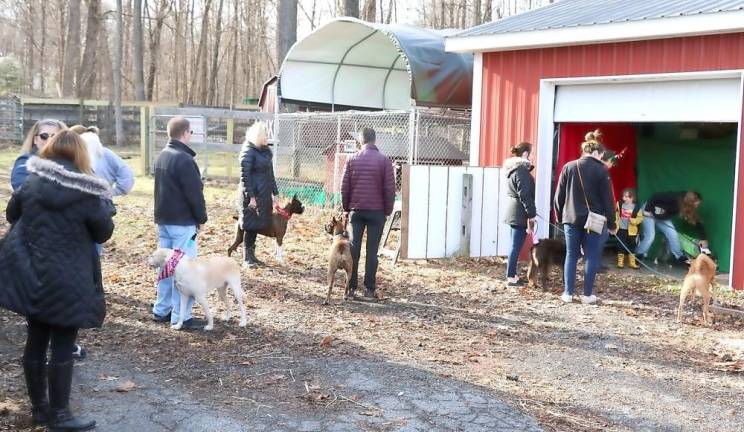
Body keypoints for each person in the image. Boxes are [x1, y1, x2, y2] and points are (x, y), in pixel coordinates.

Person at [0, 129, 115, 430]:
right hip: (69, 278)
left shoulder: (31, 182)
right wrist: (107, 205)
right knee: (63, 345)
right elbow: (103, 232)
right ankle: (61, 415)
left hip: (34, 274)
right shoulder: (89, 193)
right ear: (80, 154)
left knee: (35, 341)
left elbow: (13, 214)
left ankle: (40, 410)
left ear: (50, 150)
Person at [152, 116, 207, 329]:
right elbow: (195, 194)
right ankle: (180, 316)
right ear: (185, 133)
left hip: (164, 220)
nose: (191, 135)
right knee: (184, 269)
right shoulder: (184, 160)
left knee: (166, 267)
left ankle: (162, 309)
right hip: (182, 223)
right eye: (191, 132)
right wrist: (201, 218)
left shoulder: (162, 156)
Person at [554, 132, 617, 304]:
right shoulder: (602, 170)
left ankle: (568, 293)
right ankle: (587, 295)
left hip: (570, 218)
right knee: (591, 256)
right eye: (602, 155)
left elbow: (558, 196)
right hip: (594, 220)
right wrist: (612, 224)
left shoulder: (569, 166)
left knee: (571, 255)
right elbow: (608, 200)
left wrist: (559, 216)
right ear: (597, 153)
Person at [341, 127, 396, 299]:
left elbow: (344, 188)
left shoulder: (352, 160)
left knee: (354, 249)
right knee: (372, 251)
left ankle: (351, 287)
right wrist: (387, 210)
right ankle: (370, 289)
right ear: (375, 140)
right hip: (376, 212)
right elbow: (390, 189)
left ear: (360, 140)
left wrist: (346, 208)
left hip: (356, 211)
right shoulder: (385, 161)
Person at [239, 121, 278, 268]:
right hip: (253, 195)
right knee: (250, 225)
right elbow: (245, 177)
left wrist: (275, 192)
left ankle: (252, 255)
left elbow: (270, 173)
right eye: (266, 134)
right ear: (258, 135)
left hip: (264, 194)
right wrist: (251, 197)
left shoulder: (265, 151)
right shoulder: (248, 151)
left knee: (256, 225)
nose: (268, 137)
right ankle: (247, 257)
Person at [635, 191, 707, 265]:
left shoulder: (687, 207)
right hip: (649, 212)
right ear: (690, 201)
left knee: (673, 234)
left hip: (662, 217)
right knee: (650, 236)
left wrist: (703, 238)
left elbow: (696, 221)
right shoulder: (674, 198)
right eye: (696, 203)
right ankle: (638, 256)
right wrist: (646, 210)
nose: (697, 205)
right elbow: (655, 197)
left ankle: (680, 258)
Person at [502, 141, 536, 287]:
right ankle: (510, 277)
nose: (533, 156)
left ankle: (513, 275)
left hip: (514, 210)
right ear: (525, 154)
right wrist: (531, 214)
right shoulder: (521, 170)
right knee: (515, 246)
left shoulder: (514, 169)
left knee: (514, 245)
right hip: (519, 212)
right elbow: (525, 195)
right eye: (532, 153)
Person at [70, 125, 135, 197]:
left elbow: (125, 172)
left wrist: (116, 191)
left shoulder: (105, 153)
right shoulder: (70, 155)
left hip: (99, 200)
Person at [11, 118, 67, 191]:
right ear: (35, 140)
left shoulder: (69, 162)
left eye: (55, 137)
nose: (49, 140)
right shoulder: (26, 161)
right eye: (44, 136)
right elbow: (21, 187)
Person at [614, 188, 643, 269]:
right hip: (621, 229)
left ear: (632, 198)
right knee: (621, 245)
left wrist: (633, 221)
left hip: (632, 231)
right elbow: (616, 215)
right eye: (623, 196)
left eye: (627, 197)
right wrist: (616, 225)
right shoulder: (619, 204)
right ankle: (620, 262)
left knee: (632, 246)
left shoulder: (637, 207)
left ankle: (632, 262)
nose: (624, 198)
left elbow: (640, 218)